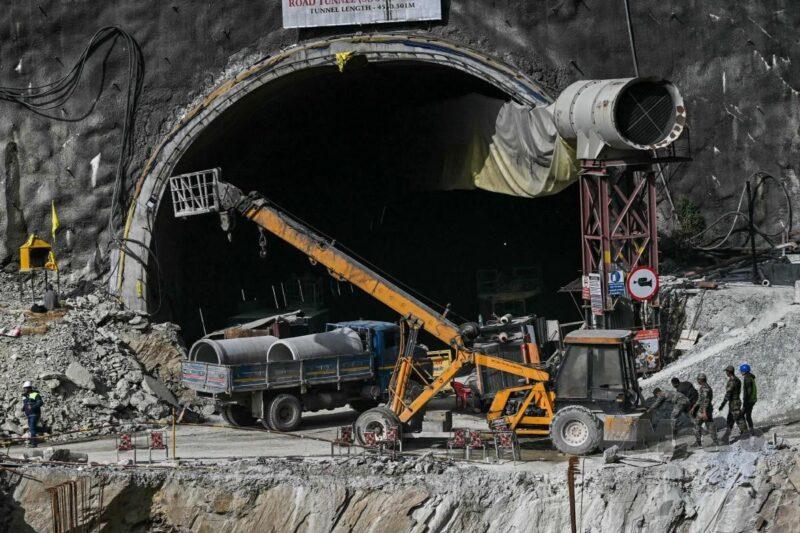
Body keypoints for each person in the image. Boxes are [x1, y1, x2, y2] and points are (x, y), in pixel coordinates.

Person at [719, 365, 749, 442]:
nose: (726, 373)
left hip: (734, 403)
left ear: (729, 372)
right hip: (735, 402)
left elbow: (728, 394)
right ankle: (726, 436)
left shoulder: (732, 381)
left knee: (739, 418)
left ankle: (746, 434)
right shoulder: (737, 380)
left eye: (726, 371)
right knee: (730, 419)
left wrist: (722, 404)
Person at [690, 373, 718, 447]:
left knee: (705, 425)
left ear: (700, 380)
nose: (697, 381)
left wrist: (704, 412)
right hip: (703, 409)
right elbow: (700, 399)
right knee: (703, 424)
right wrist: (694, 407)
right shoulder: (703, 387)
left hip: (705, 410)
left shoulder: (706, 388)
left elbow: (706, 401)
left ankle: (711, 442)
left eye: (698, 379)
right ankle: (702, 442)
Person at [22, 381, 44, 448]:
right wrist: (23, 408)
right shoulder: (25, 396)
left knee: (32, 428)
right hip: (29, 415)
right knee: (32, 428)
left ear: (29, 388)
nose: (24, 389)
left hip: (34, 414)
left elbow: (40, 402)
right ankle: (33, 440)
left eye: (26, 388)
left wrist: (33, 407)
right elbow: (26, 404)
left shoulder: (35, 394)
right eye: (24, 388)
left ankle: (34, 443)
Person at [740, 363, 757, 433]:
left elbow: (748, 392)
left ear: (744, 371)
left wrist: (745, 403)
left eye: (741, 370)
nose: (741, 372)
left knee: (741, 415)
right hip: (752, 400)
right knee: (748, 416)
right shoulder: (750, 377)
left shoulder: (747, 379)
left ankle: (745, 431)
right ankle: (750, 430)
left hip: (749, 401)